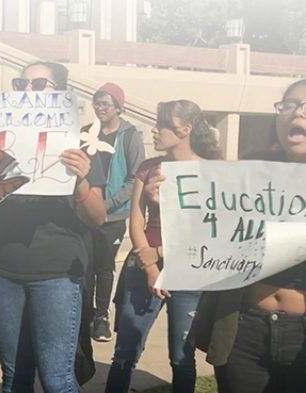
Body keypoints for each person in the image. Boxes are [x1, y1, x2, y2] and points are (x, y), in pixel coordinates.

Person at [0, 61, 106, 393]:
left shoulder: (77, 150)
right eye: (20, 84)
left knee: (58, 379)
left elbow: (97, 218)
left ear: (61, 93)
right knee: (14, 377)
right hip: (1, 271)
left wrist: (80, 180)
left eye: (39, 84)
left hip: (55, 276)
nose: (27, 91)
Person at [187, 80, 306, 392]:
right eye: (290, 104)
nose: (298, 113)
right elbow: (211, 239)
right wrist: (175, 205)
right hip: (244, 328)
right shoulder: (245, 177)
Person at [105, 100, 221, 393]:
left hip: (190, 270)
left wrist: (158, 253)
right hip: (143, 267)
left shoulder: (212, 172)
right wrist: (149, 266)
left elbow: (209, 230)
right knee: (125, 354)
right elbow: (135, 222)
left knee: (182, 357)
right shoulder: (148, 168)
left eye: (163, 124)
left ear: (186, 129)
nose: (154, 130)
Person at [81, 83, 146, 342]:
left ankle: (100, 317)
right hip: (86, 213)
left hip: (114, 214)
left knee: (104, 266)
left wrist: (106, 204)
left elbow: (135, 178)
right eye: (97, 102)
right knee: (84, 266)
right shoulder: (86, 133)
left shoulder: (130, 136)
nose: (100, 108)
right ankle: (84, 313)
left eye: (105, 103)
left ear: (119, 107)